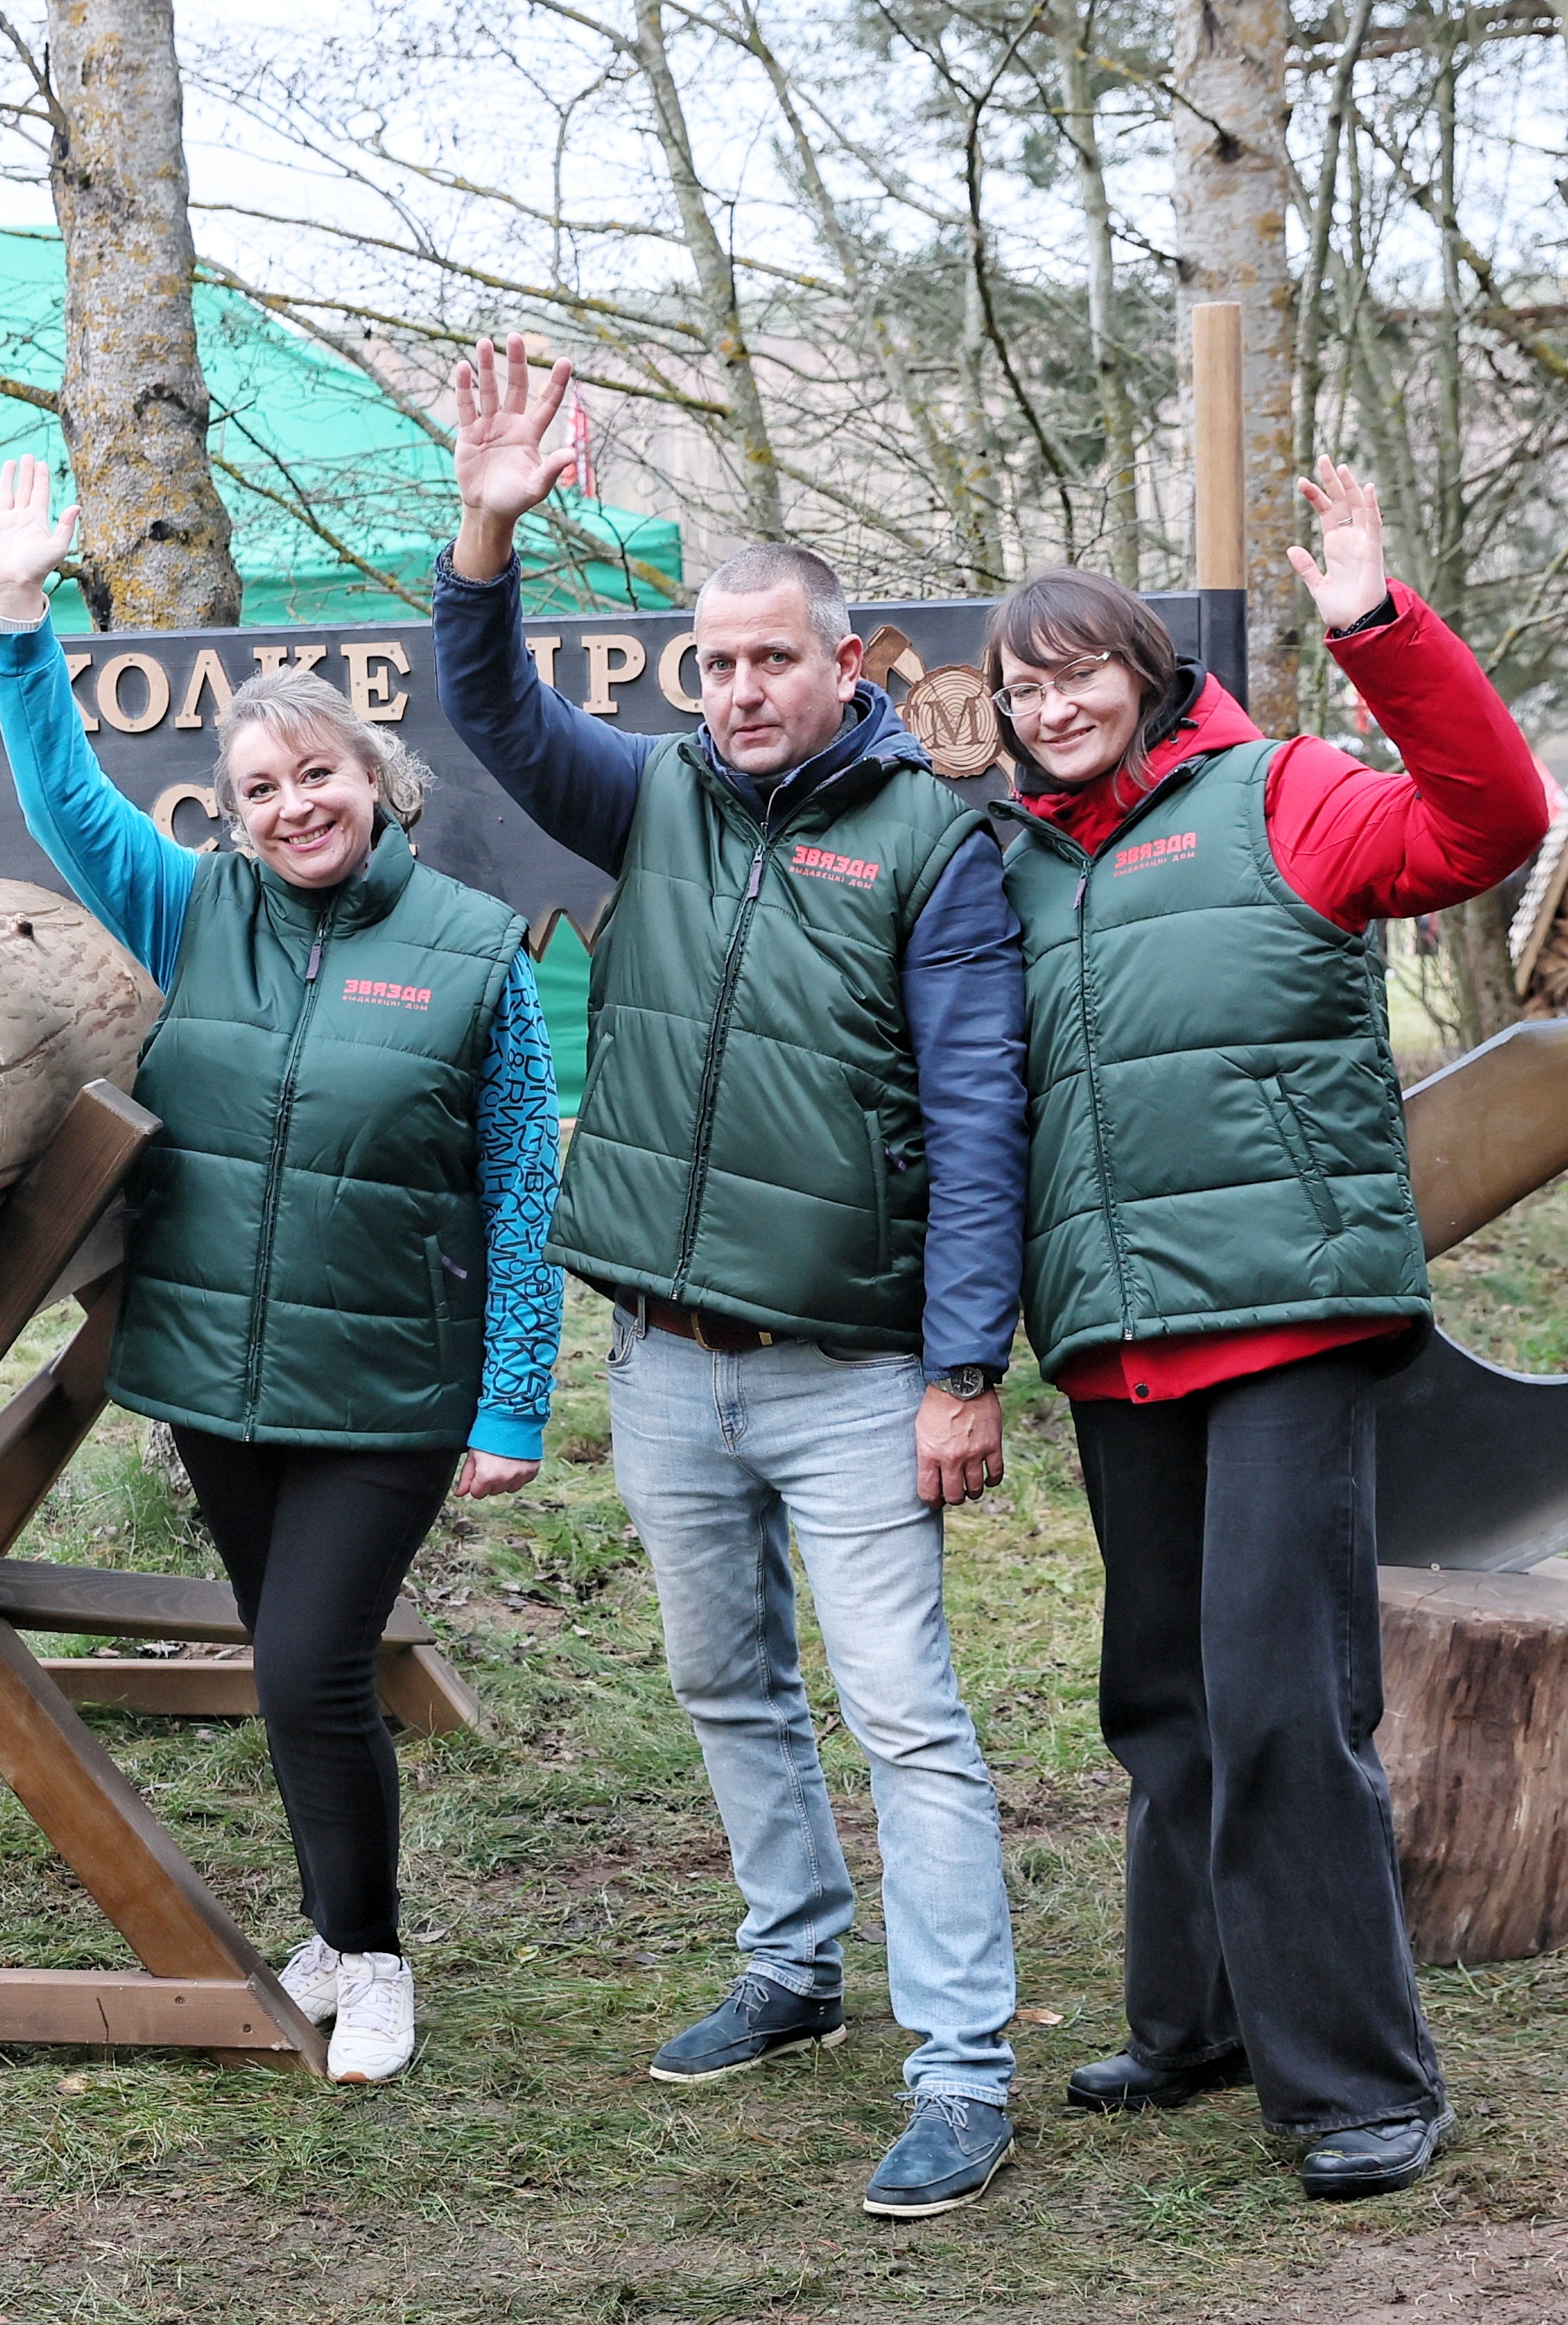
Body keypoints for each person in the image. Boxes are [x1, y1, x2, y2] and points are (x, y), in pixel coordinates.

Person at [437, 338, 1028, 2213]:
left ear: (846, 665)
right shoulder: (652, 800)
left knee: (904, 1714)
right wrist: (486, 528)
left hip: (851, 1370)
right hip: (663, 1358)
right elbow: (485, 706)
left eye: (775, 657)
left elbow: (979, 1119)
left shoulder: (929, 842)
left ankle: (961, 2067)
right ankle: (791, 1963)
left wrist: (962, 1371)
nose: (743, 688)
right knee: (723, 1681)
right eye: (716, 662)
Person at [986, 463, 1549, 2202]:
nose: (1052, 706)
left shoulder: (1281, 794)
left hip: (1285, 1317)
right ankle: (1194, 2020)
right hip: (1115, 1331)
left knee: (1278, 1690)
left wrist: (1378, 628)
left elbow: (1488, 822)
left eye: (1079, 670)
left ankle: (1361, 2080)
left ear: (1145, 672)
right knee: (1160, 1690)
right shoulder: (1014, 865)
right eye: (1020, 686)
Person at [0, 456, 558, 2085]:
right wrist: (16, 615)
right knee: (289, 1667)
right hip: (220, 1377)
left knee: (306, 1666)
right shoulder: (192, 913)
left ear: (376, 779)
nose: (293, 805)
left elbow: (520, 1178)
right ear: (229, 814)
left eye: (317, 774)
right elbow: (66, 801)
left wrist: (513, 1396)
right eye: (260, 789)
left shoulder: (468, 950)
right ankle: (334, 1926)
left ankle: (371, 1960)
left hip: (387, 1385)